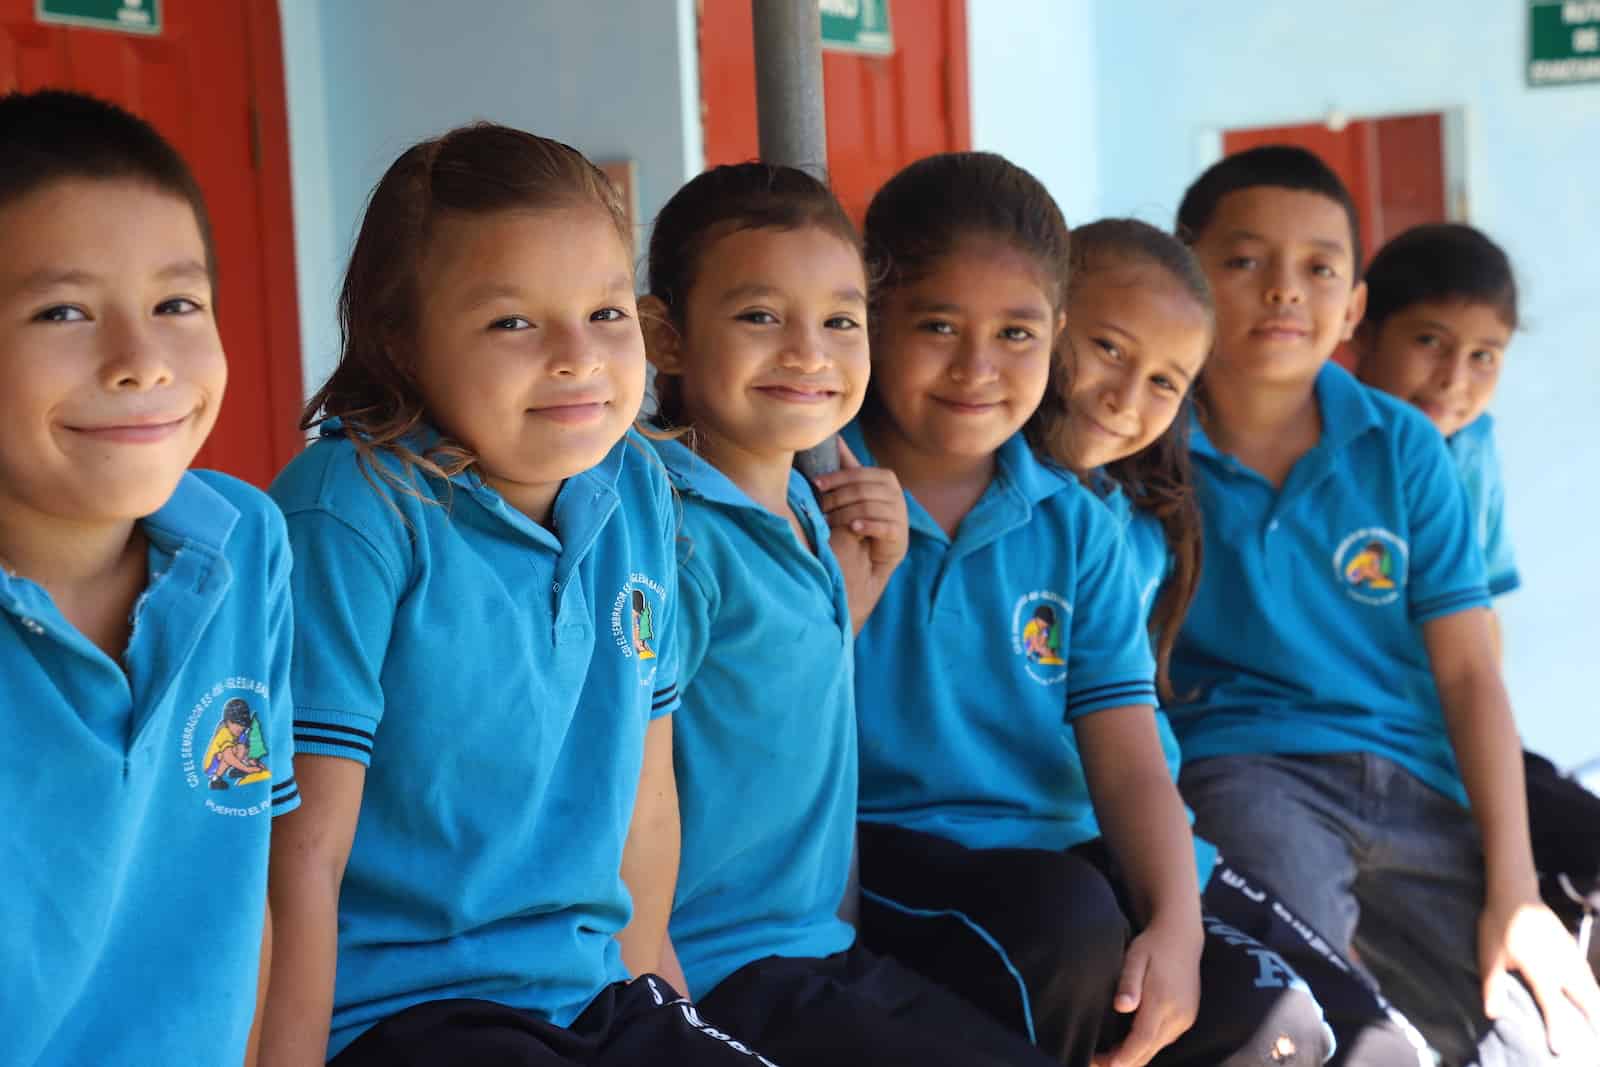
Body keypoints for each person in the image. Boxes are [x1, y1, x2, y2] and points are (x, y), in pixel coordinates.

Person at [259, 123, 775, 1067]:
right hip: (403, 1012)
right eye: (512, 323)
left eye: (607, 314)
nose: (577, 355)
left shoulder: (638, 489)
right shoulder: (353, 511)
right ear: (401, 339)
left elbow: (646, 796)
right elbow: (300, 857)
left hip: (586, 995)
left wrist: (648, 1002)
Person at [847, 151, 1330, 1067]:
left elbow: (1128, 747)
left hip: (1064, 854)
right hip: (894, 853)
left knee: (1283, 1028)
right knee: (1066, 943)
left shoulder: (1075, 523)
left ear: (1056, 333)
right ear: (874, 318)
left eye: (1019, 335)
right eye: (939, 325)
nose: (977, 368)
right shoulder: (818, 487)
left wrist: (1177, 925)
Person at [1167, 144, 1600, 1066]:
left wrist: (1514, 890)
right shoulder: (1151, 449)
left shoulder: (1404, 445)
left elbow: (1469, 667)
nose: (1286, 291)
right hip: (1251, 768)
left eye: (1319, 268)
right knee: (1327, 1020)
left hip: (1418, 777)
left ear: (1353, 305)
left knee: (1540, 1036)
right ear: (1186, 276)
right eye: (1245, 261)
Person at [640, 159, 1068, 1066]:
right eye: (761, 316)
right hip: (716, 972)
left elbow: (779, 705)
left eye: (840, 320)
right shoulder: (667, 534)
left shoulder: (803, 508)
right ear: (664, 336)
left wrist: (854, 590)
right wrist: (663, 1016)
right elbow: (629, 788)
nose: (808, 352)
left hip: (819, 946)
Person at [1036, 216, 1430, 1066]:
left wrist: (1174, 903)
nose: (1125, 396)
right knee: (1279, 1036)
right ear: (1044, 321)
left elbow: (1134, 747)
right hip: (1048, 857)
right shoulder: (986, 500)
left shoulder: (1139, 518)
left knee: (1383, 1049)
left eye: (1165, 381)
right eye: (1106, 348)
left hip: (1154, 844)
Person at [0, 88, 297, 1066]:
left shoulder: (246, 540)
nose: (140, 361)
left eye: (176, 303)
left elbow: (240, 878)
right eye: (63, 310)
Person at [1353, 222, 1600, 979]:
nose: (1455, 376)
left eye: (1484, 356)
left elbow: (1482, 619)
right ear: (1360, 329)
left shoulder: (1473, 445)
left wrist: (1494, 746)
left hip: (1460, 732)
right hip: (1363, 740)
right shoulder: (1331, 441)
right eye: (1429, 340)